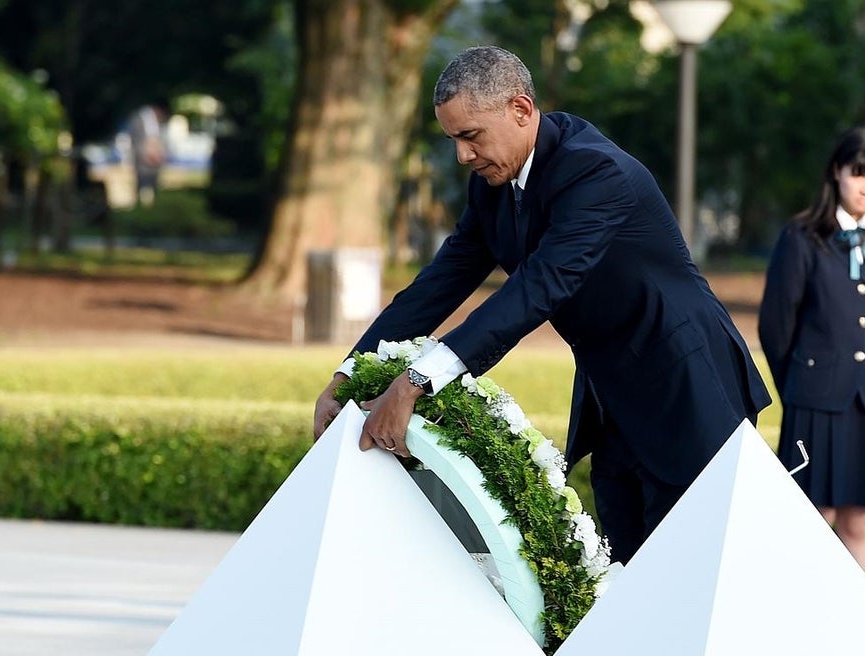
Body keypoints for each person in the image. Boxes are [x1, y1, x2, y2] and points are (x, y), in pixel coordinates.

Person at [313, 46, 771, 565]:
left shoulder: (596, 173)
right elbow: (436, 285)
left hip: (688, 384)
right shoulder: (493, 184)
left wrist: (419, 380)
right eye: (453, 140)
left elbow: (537, 288)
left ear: (521, 110)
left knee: (695, 568)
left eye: (471, 136)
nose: (462, 155)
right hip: (612, 395)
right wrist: (350, 371)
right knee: (628, 567)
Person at [758, 126, 865, 574]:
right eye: (859, 173)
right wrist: (802, 385)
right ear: (836, 172)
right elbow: (776, 325)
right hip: (815, 400)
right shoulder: (803, 237)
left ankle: (854, 633)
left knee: (860, 520)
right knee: (814, 517)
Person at [128, 103, 167, 206]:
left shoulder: (153, 121)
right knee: (142, 178)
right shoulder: (139, 119)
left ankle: (150, 201)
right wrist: (145, 153)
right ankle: (142, 201)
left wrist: (158, 152)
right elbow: (136, 140)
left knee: (152, 178)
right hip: (143, 157)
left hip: (152, 156)